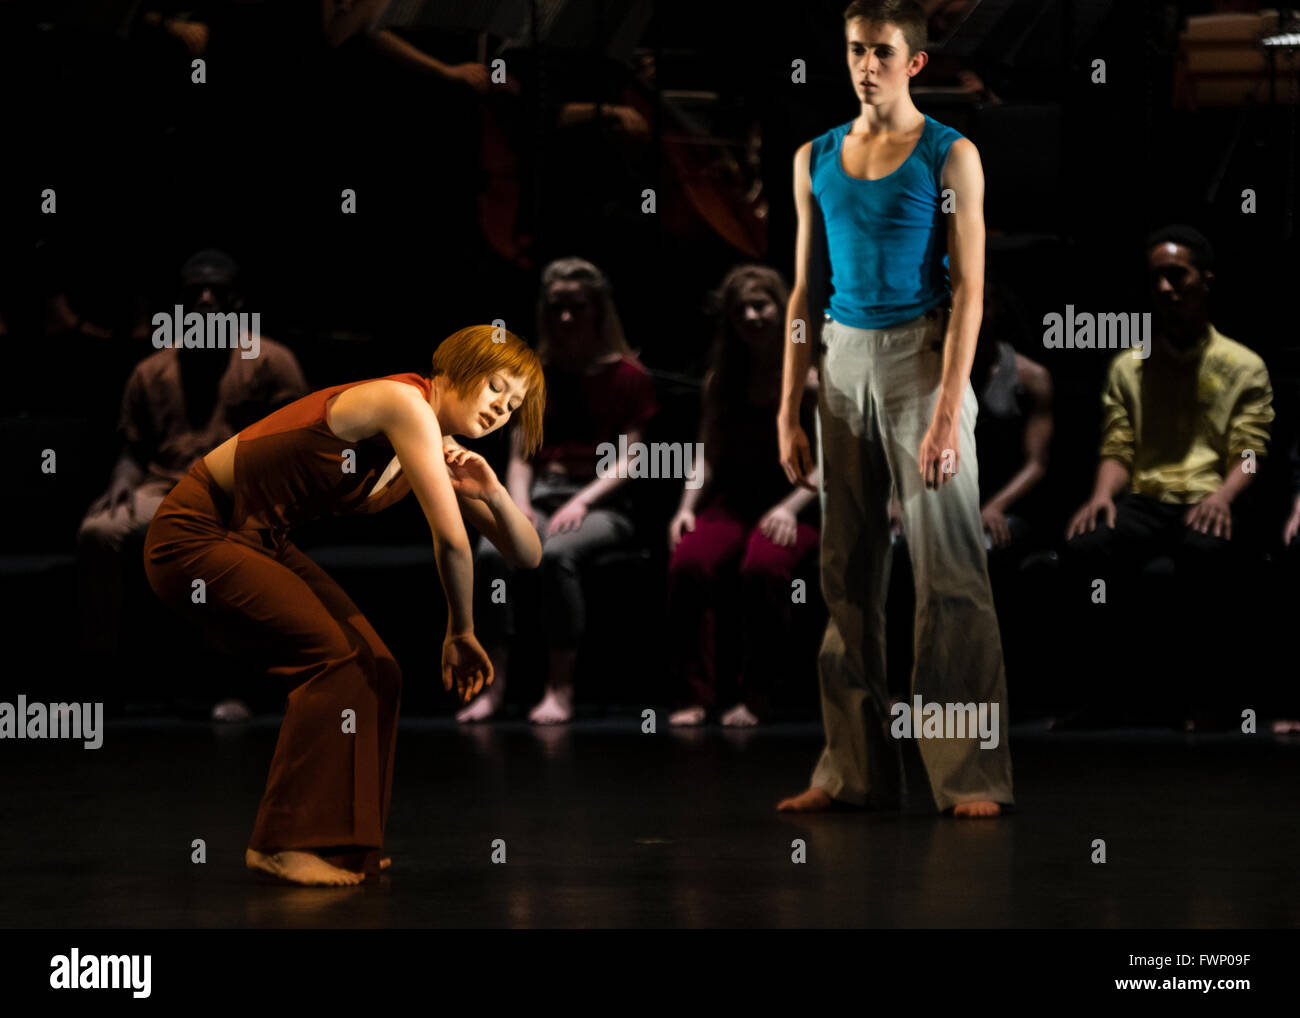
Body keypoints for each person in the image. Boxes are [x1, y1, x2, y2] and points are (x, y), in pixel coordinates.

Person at [143, 325, 545, 886]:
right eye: (496, 387)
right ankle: (283, 842)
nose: (502, 408)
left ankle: (344, 844)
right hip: (196, 533)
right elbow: (451, 539)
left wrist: (494, 491)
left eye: (515, 403)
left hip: (259, 539)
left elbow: (527, 554)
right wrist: (461, 629)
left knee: (379, 668)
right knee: (336, 660)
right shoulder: (402, 402)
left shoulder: (433, 443)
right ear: (453, 371)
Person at [776, 0, 1013, 817]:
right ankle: (852, 770)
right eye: (853, 50)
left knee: (948, 574)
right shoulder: (816, 155)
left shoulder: (951, 154)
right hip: (840, 363)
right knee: (844, 572)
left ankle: (969, 776)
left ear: (914, 62)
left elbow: (973, 290)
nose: (864, 64)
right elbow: (804, 290)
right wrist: (787, 406)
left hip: (922, 359)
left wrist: (949, 412)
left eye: (880, 51)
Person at [78, 249, 308, 716]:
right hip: (163, 488)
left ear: (238, 301)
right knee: (98, 532)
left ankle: (234, 680)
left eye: (217, 292)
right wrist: (122, 479)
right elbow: (132, 448)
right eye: (194, 293)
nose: (205, 300)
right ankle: (102, 675)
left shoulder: (270, 361)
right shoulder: (152, 371)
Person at [1063, 224, 1274, 726]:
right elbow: (1119, 446)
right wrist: (1100, 495)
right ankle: (1105, 699)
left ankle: (1208, 701)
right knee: (1085, 546)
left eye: (1176, 277)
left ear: (1205, 280)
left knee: (1208, 552)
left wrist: (1224, 496)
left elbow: (1249, 451)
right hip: (1148, 497)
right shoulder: (1128, 366)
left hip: (1208, 494)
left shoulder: (1243, 366)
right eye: (1156, 279)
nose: (1165, 289)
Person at [458, 258, 658, 724]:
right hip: (541, 493)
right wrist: (519, 503)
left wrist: (583, 500)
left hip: (601, 501)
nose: (565, 317)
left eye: (576, 307)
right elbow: (521, 457)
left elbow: (633, 459)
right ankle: (495, 686)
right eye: (556, 307)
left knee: (556, 555)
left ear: (597, 310)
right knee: (490, 555)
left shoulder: (628, 375)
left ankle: (559, 689)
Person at [666, 265, 820, 727]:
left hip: (801, 499)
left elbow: (832, 459)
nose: (752, 317)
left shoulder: (811, 377)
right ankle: (697, 695)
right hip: (736, 499)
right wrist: (685, 509)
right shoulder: (723, 380)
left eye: (762, 305)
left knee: (764, 566)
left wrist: (790, 507)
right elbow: (707, 455)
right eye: (741, 311)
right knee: (689, 561)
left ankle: (758, 694)